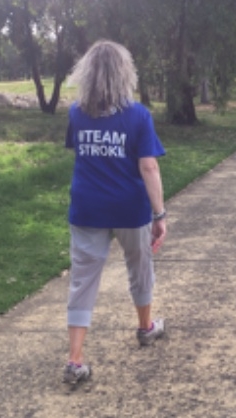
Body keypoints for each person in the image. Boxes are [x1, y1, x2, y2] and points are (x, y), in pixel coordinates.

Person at [62, 40, 167, 384]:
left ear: (87, 73)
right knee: (140, 266)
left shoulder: (76, 113)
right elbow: (148, 166)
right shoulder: (138, 115)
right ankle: (145, 328)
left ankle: (75, 360)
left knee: (83, 280)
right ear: (125, 73)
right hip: (129, 208)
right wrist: (160, 215)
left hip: (87, 208)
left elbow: (80, 153)